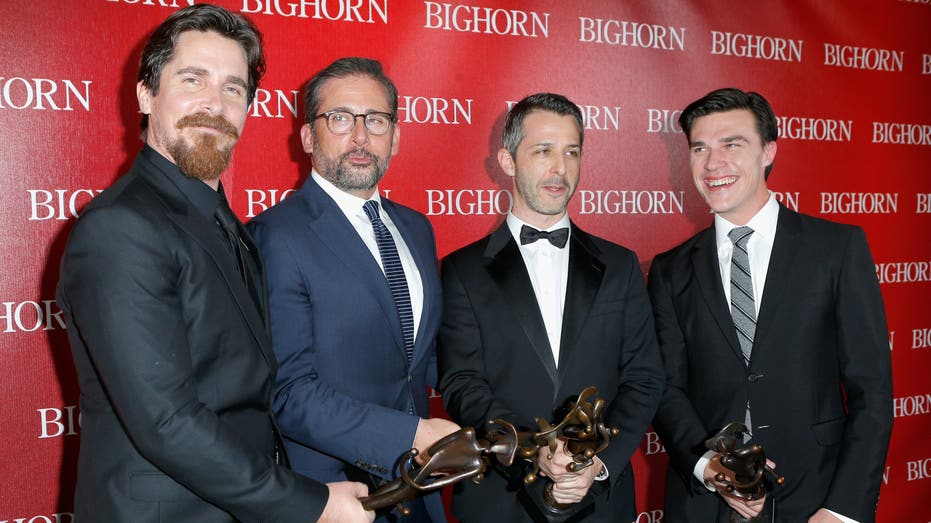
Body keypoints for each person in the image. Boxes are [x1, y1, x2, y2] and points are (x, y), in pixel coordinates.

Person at [56, 5, 372, 522]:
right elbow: (167, 421)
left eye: (233, 88)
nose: (214, 104)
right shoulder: (121, 227)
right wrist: (307, 502)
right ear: (145, 94)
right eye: (192, 79)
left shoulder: (222, 220)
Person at [648, 88, 893, 522]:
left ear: (768, 152)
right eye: (700, 148)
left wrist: (843, 509)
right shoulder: (669, 270)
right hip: (705, 506)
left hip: (817, 499)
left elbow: (871, 392)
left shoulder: (836, 249)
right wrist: (710, 468)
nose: (713, 163)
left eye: (732, 144)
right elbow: (666, 389)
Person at [436, 92, 666, 522]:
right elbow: (462, 383)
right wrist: (533, 448)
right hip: (501, 500)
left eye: (571, 152)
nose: (559, 168)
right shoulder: (462, 270)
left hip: (602, 501)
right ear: (507, 161)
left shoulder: (620, 265)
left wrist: (597, 463)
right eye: (543, 151)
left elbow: (645, 377)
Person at [247, 57, 459, 523]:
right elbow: (288, 393)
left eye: (377, 120)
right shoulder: (276, 236)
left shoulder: (417, 229)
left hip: (422, 489)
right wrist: (409, 433)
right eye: (340, 118)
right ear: (307, 137)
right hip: (336, 495)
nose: (361, 136)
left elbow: (419, 358)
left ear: (396, 137)